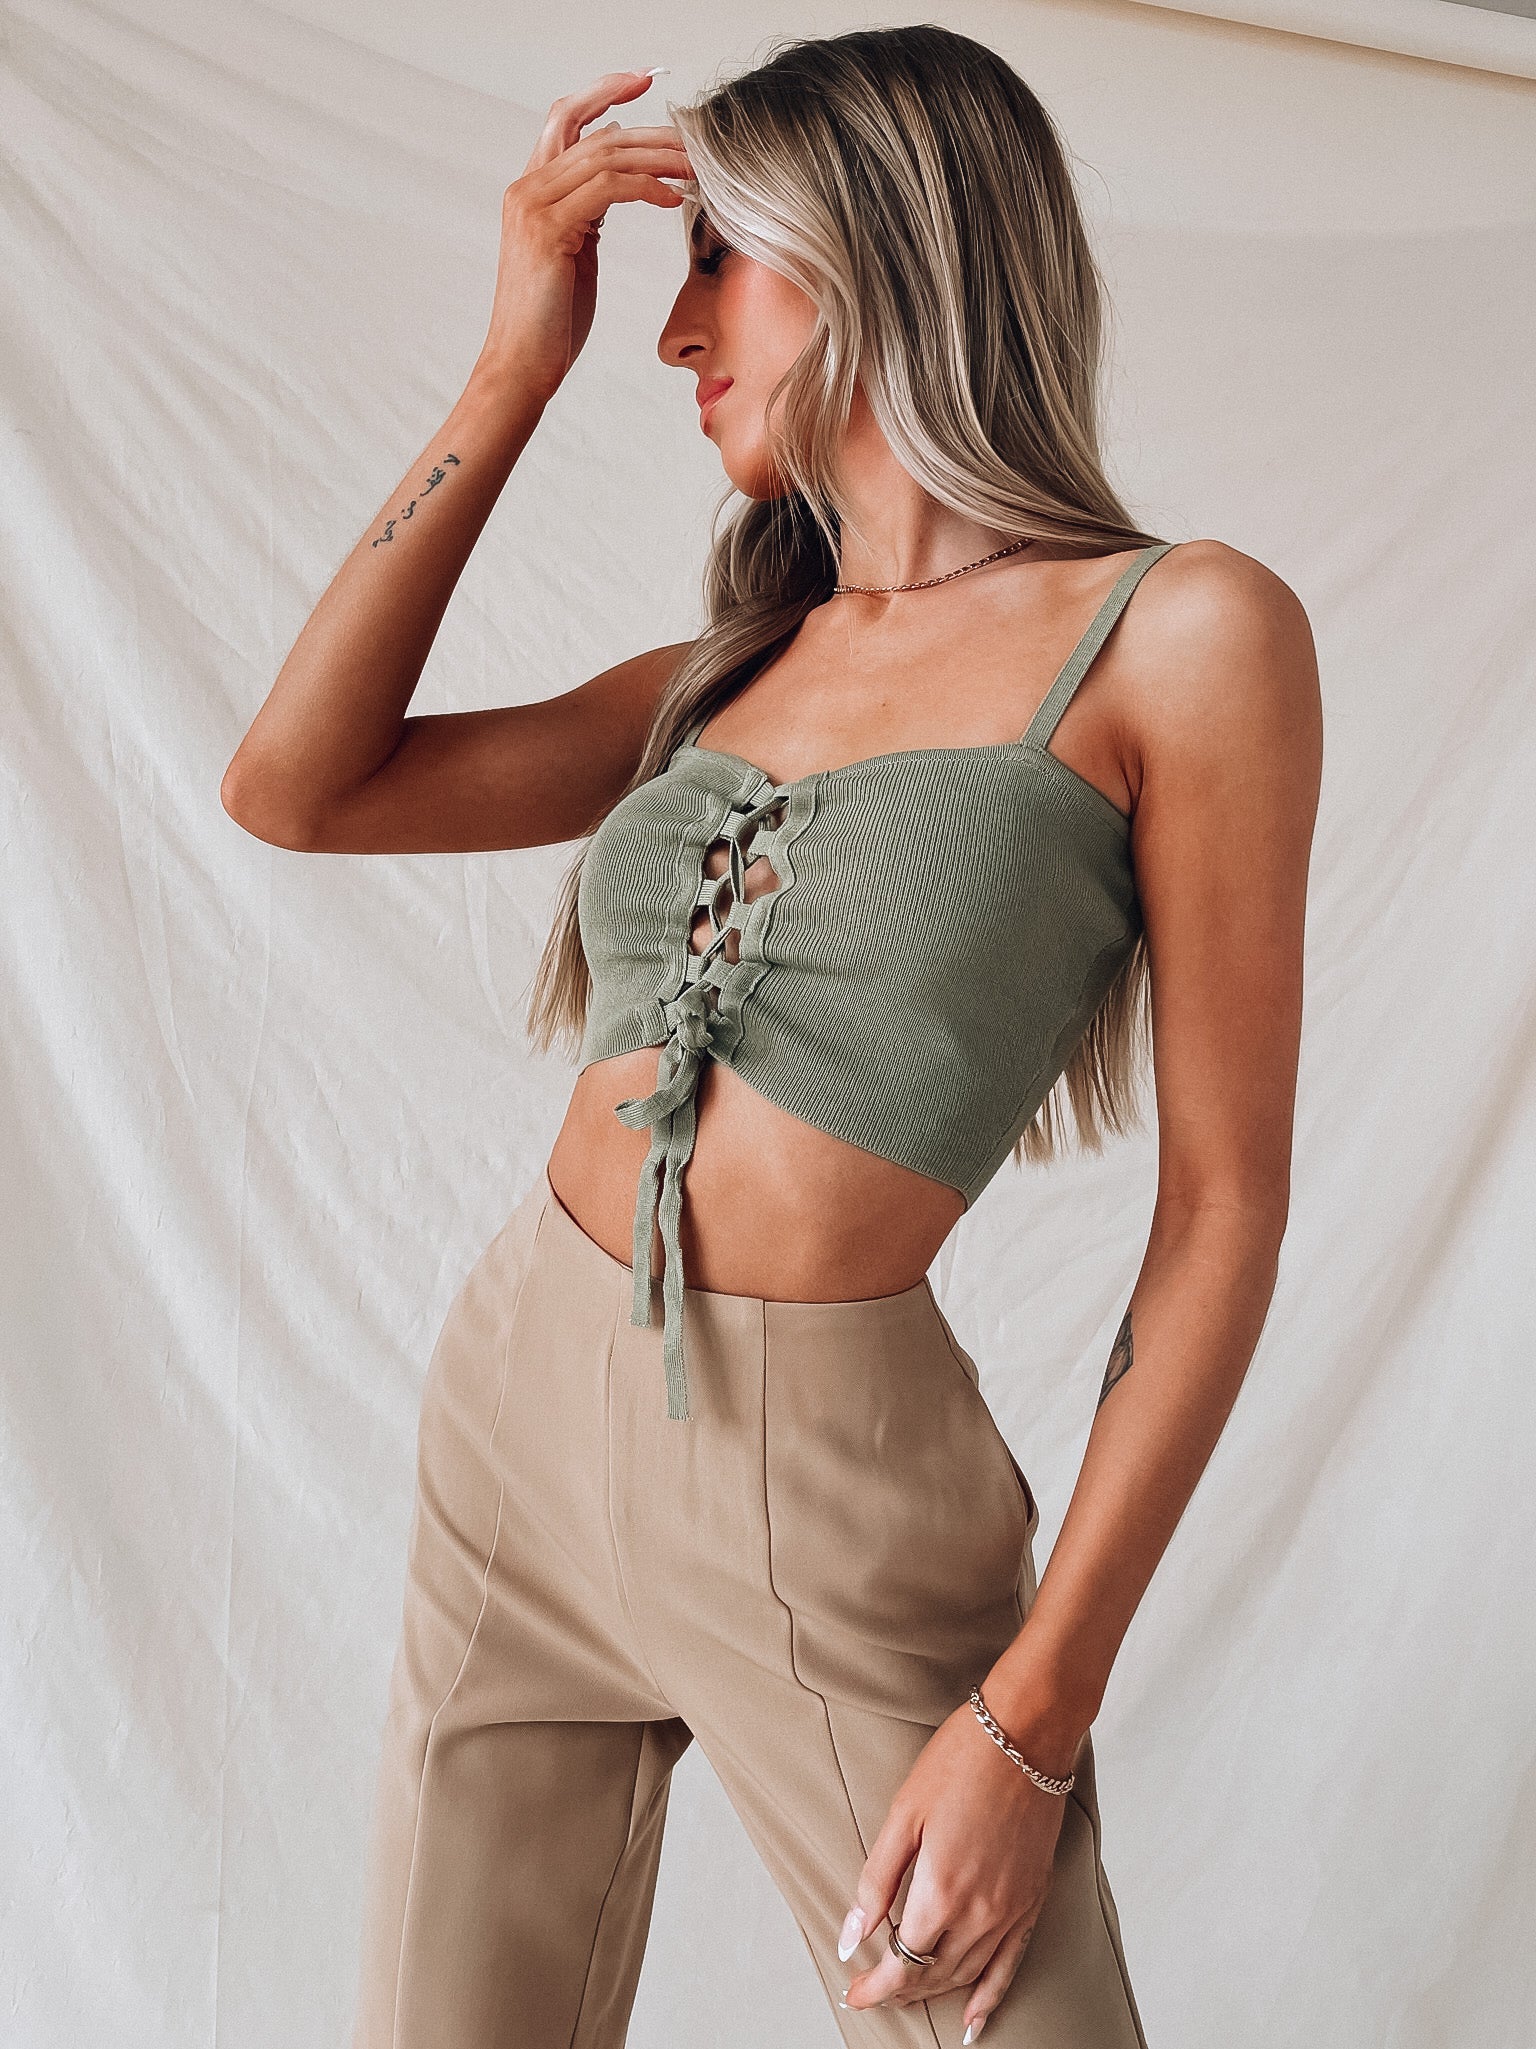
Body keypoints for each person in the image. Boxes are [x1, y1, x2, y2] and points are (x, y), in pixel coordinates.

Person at [222, 25, 1321, 2049]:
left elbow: (1225, 1208)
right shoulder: (727, 669)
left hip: (828, 1472)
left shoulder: (1181, 633)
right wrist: (510, 370)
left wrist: (1033, 1717)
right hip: (519, 1410)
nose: (674, 332)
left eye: (718, 260)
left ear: (878, 249)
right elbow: (295, 784)